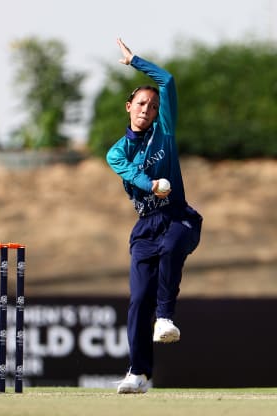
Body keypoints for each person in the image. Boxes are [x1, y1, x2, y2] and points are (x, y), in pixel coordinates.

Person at [106, 38, 203, 394]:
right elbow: (130, 174)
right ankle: (139, 373)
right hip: (146, 226)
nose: (147, 109)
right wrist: (152, 184)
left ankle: (165, 317)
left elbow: (168, 80)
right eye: (141, 103)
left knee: (173, 247)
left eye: (152, 105)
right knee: (137, 298)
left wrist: (135, 61)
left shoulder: (165, 131)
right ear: (129, 106)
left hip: (179, 216)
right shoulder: (117, 151)